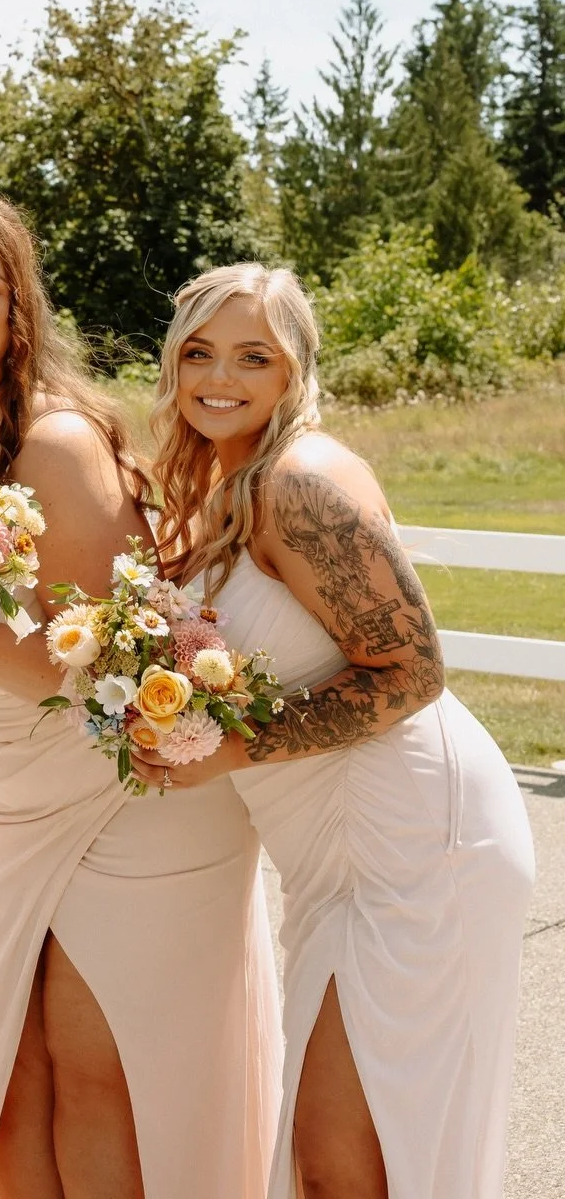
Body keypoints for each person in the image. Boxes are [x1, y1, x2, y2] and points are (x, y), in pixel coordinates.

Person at [0, 193, 279, 1199]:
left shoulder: (50, 442)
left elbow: (104, 663)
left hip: (121, 785)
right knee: (8, 1074)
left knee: (104, 1076)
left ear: (20, 311)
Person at [138, 262, 535, 1199]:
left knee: (350, 1157)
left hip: (415, 843)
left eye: (252, 357)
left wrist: (232, 748)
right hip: (333, 855)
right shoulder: (224, 484)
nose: (219, 378)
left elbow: (415, 670)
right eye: (198, 353)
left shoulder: (297, 481)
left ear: (294, 371)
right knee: (342, 1158)